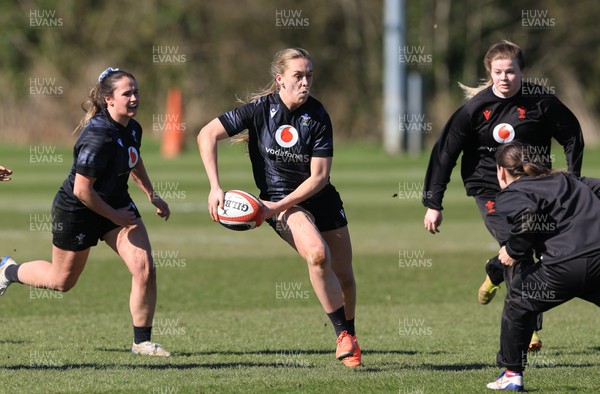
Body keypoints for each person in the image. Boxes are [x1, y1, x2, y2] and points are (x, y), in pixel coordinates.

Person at [197, 48, 360, 367]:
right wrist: (215, 187)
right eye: (298, 76)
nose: (305, 82)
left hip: (316, 199)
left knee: (345, 276)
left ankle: (350, 335)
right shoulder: (259, 110)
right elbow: (207, 134)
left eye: (309, 75)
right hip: (282, 201)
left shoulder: (318, 115)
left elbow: (320, 177)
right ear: (280, 79)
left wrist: (274, 207)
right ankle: (342, 334)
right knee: (317, 254)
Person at [422, 40, 584, 350]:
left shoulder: (541, 102)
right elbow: (445, 152)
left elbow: (572, 136)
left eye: (510, 71)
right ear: (489, 72)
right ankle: (530, 329)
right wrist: (433, 203)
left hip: (537, 188)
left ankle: (495, 270)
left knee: (539, 247)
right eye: (498, 72)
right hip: (489, 187)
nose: (504, 78)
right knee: (518, 245)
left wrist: (572, 180)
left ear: (522, 71)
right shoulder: (475, 109)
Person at [0, 67, 171, 356]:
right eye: (126, 93)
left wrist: (151, 194)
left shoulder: (132, 128)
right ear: (109, 99)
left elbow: (133, 159)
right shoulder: (97, 135)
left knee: (144, 268)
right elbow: (82, 190)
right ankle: (8, 270)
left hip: (115, 204)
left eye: (136, 92)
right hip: (78, 211)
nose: (134, 98)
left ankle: (141, 342)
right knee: (61, 281)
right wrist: (115, 217)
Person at [486, 141, 600, 391]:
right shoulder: (566, 179)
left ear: (501, 171)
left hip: (564, 267)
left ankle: (511, 374)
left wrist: (513, 250)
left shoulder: (510, 194)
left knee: (517, 298)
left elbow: (529, 216)